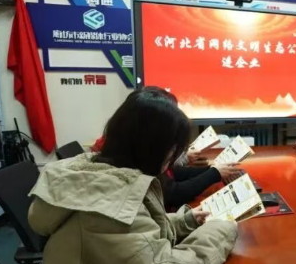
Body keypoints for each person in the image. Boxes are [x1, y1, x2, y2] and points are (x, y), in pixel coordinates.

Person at [28, 87, 238, 264]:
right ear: (154, 147)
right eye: (173, 149)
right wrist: (222, 229)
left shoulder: (103, 175)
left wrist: (186, 220)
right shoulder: (104, 208)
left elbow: (137, 234)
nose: (174, 158)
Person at [92, 87, 242, 208]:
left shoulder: (126, 153)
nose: (173, 153)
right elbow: (172, 194)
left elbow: (172, 174)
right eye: (172, 146)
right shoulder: (133, 188)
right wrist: (214, 173)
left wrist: (214, 170)